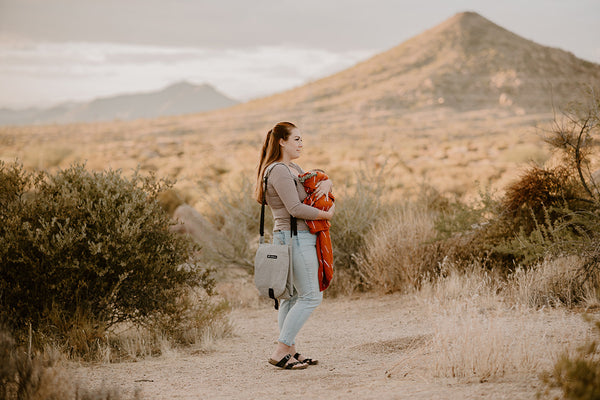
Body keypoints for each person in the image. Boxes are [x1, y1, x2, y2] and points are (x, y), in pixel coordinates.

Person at [255, 121, 334, 370]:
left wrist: (327, 185)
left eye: (302, 139)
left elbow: (313, 190)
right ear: (282, 141)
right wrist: (326, 216)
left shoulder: (293, 168)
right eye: (297, 139)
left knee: (292, 296)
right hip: (295, 238)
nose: (301, 143)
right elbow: (295, 208)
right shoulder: (278, 170)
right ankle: (281, 350)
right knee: (311, 296)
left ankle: (290, 351)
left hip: (294, 237)